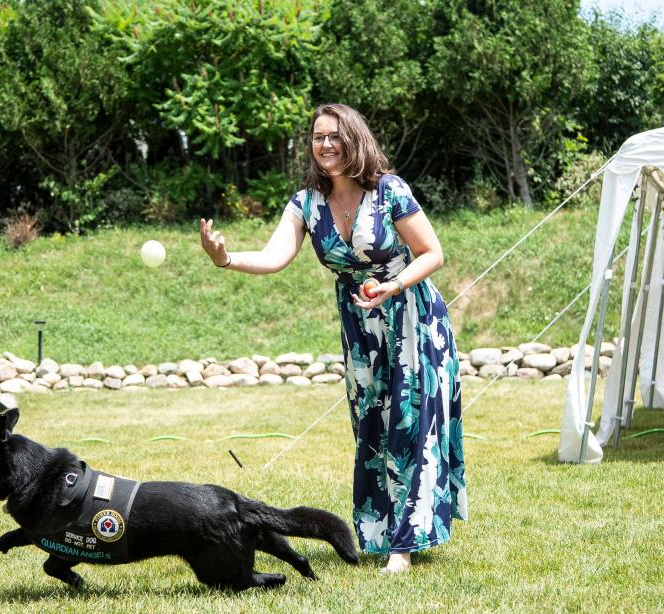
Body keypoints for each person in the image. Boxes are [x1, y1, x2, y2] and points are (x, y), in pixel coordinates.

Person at [199, 103, 466, 575]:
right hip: (361, 329)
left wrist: (393, 285)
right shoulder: (306, 203)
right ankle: (380, 534)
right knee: (371, 429)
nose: (324, 144)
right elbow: (273, 256)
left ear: (354, 139)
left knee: (409, 423)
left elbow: (432, 252)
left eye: (334, 136)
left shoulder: (389, 192)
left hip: (410, 317)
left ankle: (404, 544)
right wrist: (225, 258)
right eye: (317, 137)